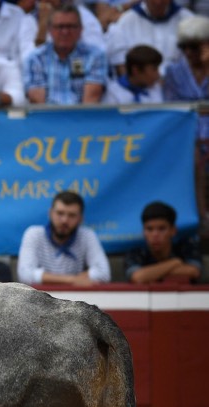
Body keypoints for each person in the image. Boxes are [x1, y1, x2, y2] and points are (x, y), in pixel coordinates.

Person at [164, 15, 209, 225]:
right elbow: (173, 108)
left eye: (194, 47)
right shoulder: (173, 71)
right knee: (191, 155)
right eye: (184, 47)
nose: (189, 53)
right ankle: (201, 218)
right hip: (187, 132)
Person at [17, 190, 111, 286]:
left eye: (72, 215)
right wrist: (72, 280)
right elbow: (25, 275)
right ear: (50, 213)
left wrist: (45, 278)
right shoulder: (34, 234)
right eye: (60, 213)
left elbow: (104, 274)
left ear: (80, 219)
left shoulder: (87, 236)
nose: (64, 220)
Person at [23, 4, 108, 106]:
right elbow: (38, 103)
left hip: (83, 118)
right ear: (50, 30)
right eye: (60, 26)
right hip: (47, 118)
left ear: (81, 29)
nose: (65, 31)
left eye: (71, 26)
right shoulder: (36, 58)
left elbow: (90, 101)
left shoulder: (95, 56)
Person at [106, 0, 193, 76]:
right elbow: (121, 65)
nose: (158, 2)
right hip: (140, 85)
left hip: (178, 85)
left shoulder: (189, 20)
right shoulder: (126, 21)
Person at [125, 201, 202, 283]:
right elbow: (138, 277)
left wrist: (151, 274)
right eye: (149, 229)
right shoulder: (136, 250)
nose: (155, 235)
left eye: (162, 229)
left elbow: (194, 271)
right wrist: (175, 262)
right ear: (143, 231)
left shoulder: (186, 245)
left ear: (173, 230)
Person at [18, 0, 105, 63]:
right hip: (43, 80)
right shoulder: (29, 20)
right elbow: (26, 61)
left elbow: (98, 54)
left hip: (79, 75)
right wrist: (43, 28)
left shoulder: (83, 16)